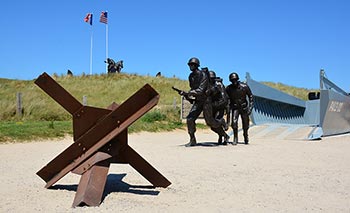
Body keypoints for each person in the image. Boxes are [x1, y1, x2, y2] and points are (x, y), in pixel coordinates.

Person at [183, 57, 208, 147]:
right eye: (189, 64)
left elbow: (201, 90)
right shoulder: (191, 76)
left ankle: (224, 135)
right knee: (190, 119)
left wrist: (190, 92)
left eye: (192, 64)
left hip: (206, 101)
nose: (191, 66)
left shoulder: (203, 75)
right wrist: (186, 94)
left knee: (210, 122)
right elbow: (193, 89)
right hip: (198, 101)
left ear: (197, 65)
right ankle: (192, 140)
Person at [226, 72, 253, 145]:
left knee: (245, 124)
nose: (234, 82)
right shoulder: (229, 88)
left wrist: (250, 108)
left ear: (237, 79)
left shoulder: (244, 86)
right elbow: (226, 98)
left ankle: (245, 135)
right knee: (234, 123)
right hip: (235, 108)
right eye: (232, 80)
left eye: (235, 80)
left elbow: (251, 97)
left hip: (244, 108)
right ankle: (235, 137)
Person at [204, 70, 230, 145]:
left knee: (216, 121)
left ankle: (222, 125)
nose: (211, 80)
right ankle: (223, 135)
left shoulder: (219, 84)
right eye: (210, 78)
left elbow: (224, 99)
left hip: (219, 106)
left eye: (212, 78)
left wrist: (215, 105)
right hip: (211, 107)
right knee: (212, 125)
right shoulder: (206, 84)